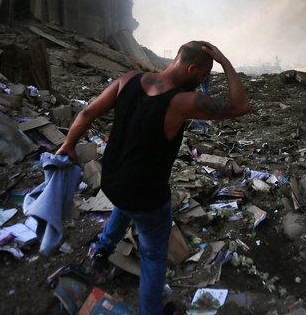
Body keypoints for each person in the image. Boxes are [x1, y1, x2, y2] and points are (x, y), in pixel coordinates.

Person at [55, 41, 251, 315]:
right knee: (153, 256)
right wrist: (224, 61)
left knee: (126, 202)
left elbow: (86, 113)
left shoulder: (129, 79)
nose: (204, 81)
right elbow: (240, 105)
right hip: (146, 196)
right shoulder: (181, 102)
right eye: (204, 75)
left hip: (111, 181)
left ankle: (101, 253)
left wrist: (68, 146)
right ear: (191, 68)